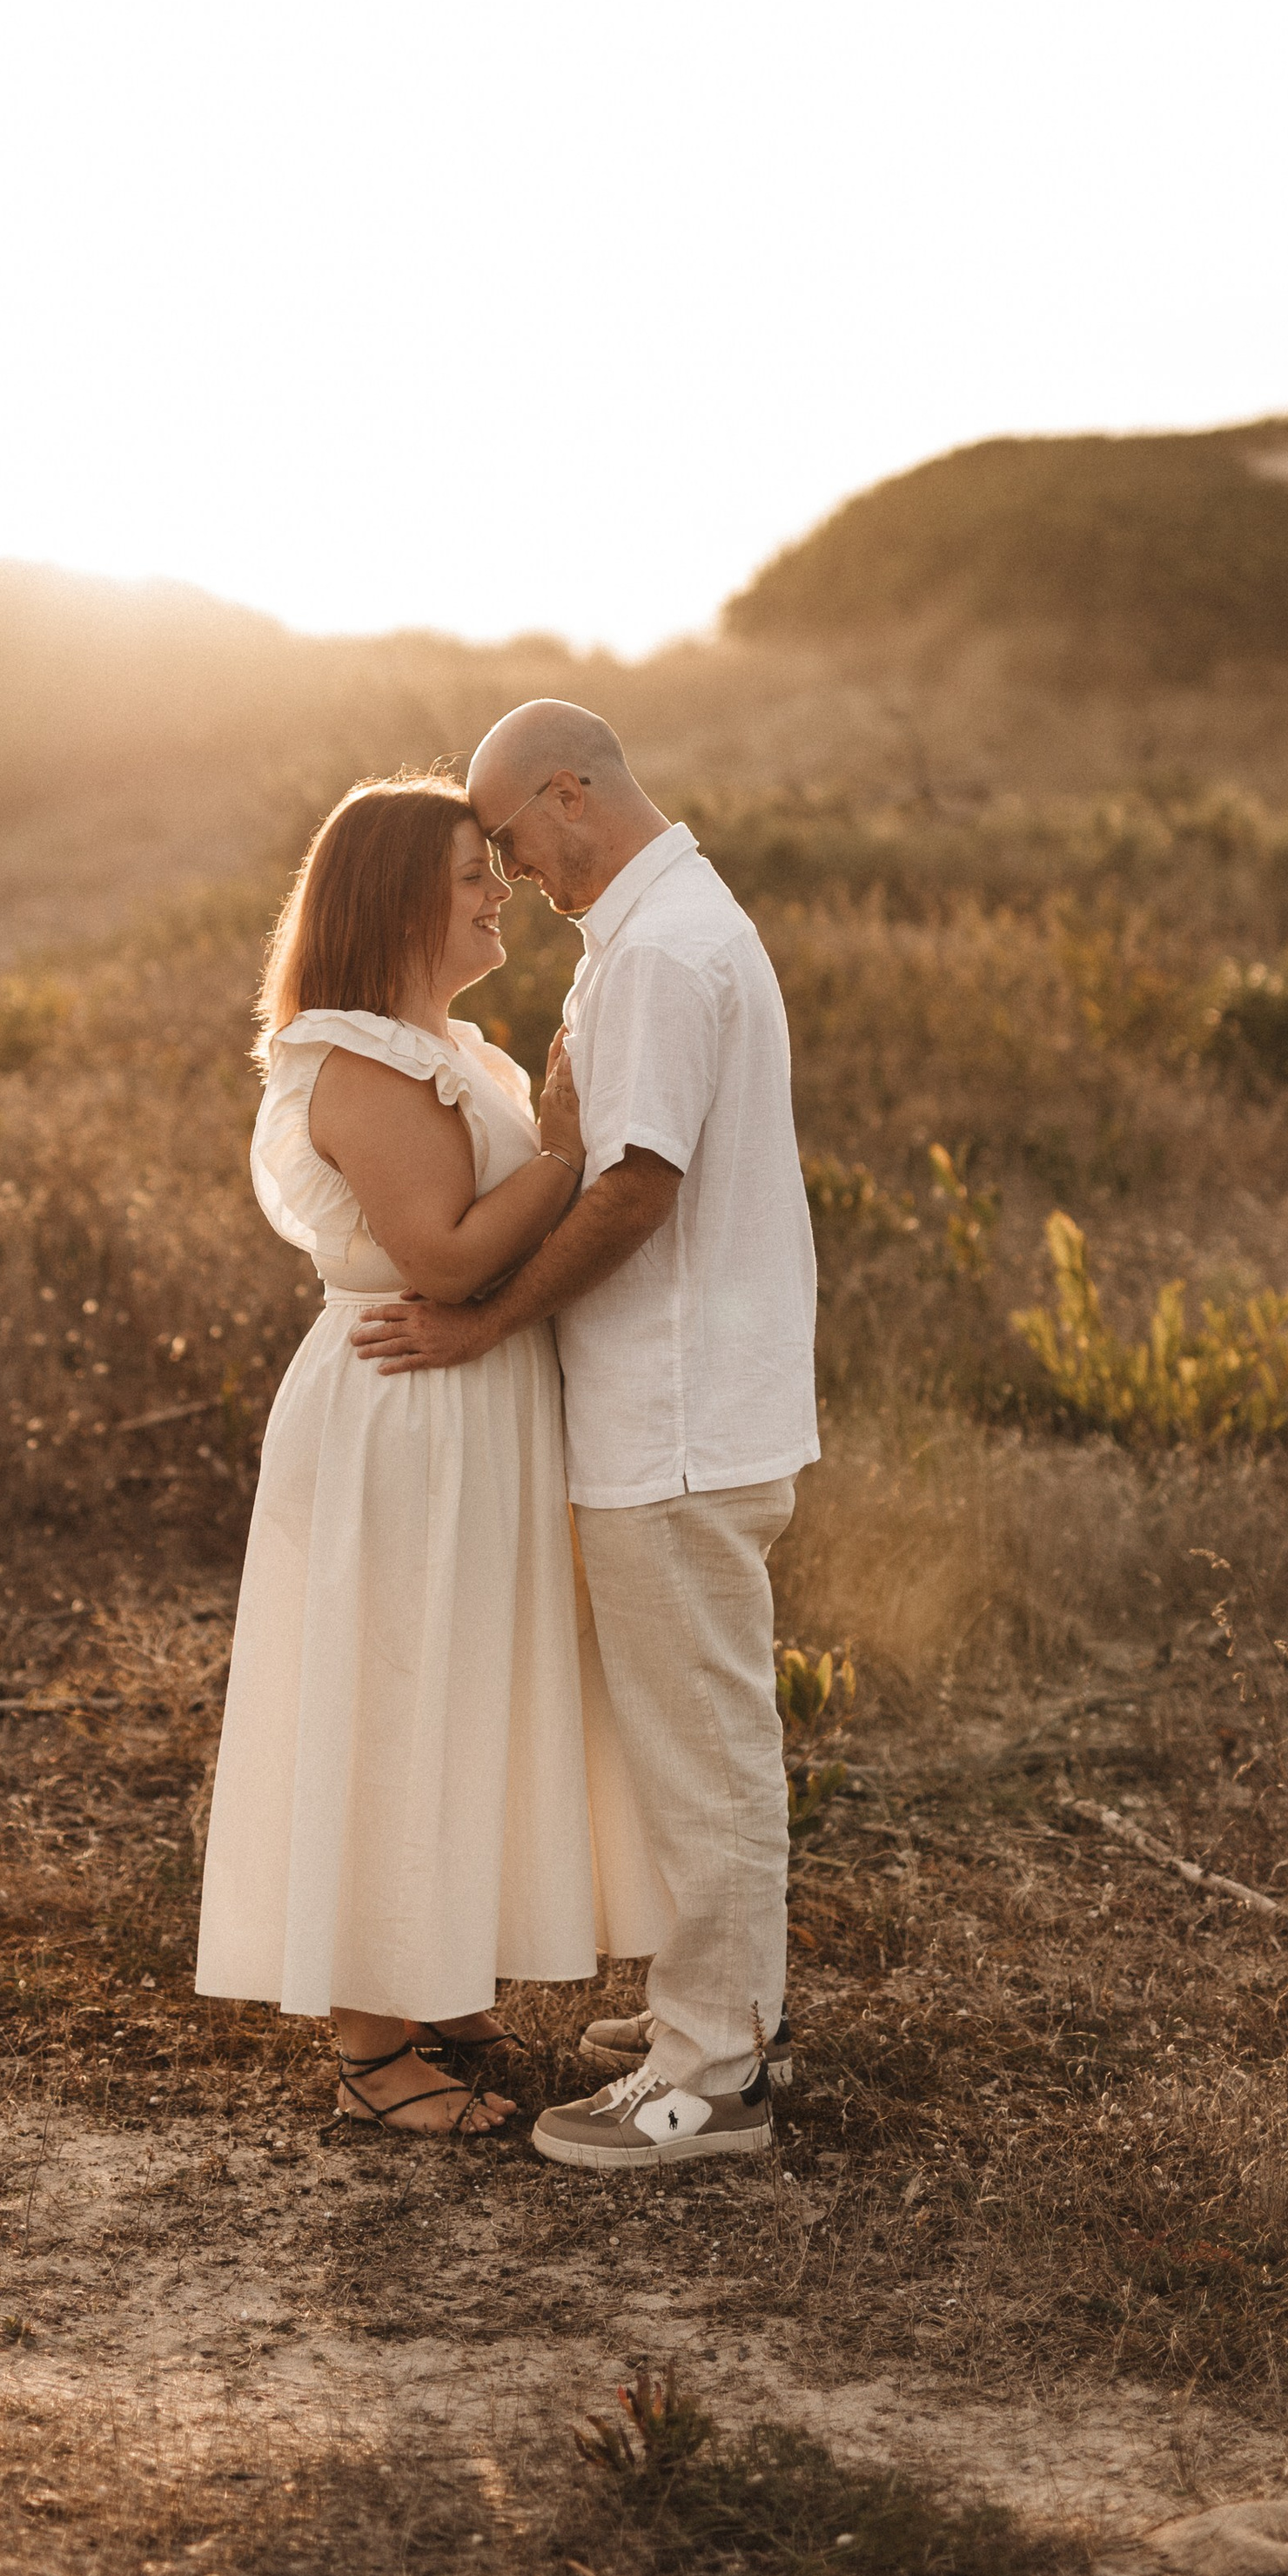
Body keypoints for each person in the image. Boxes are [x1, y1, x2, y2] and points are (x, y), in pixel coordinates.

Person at [353, 703, 818, 2172]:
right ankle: (720, 2005)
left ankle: (715, 2079)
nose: (503, 868)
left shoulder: (667, 952)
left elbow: (633, 1191)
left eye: (506, 835)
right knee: (688, 1737)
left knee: (705, 1749)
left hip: (677, 1420)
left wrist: (484, 1326)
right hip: (677, 1411)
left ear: (570, 791)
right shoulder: (652, 930)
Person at [194, 774, 667, 2135]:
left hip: (478, 1402)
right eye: (471, 872)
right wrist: (573, 1154)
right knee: (390, 1690)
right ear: (398, 897)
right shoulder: (357, 1057)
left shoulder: (460, 1051)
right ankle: (369, 2049)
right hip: (405, 1409)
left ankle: (442, 1996)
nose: (497, 892)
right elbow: (448, 1254)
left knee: (465, 1686)